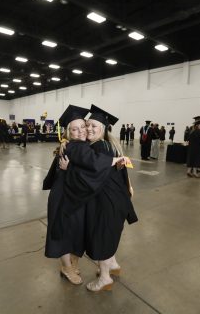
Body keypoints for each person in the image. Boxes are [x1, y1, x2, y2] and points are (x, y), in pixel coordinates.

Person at [43, 105, 123, 286]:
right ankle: (67, 267)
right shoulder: (72, 147)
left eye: (83, 126)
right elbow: (92, 164)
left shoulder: (89, 145)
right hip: (64, 196)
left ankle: (74, 263)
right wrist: (115, 160)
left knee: (76, 231)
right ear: (68, 132)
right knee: (63, 232)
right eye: (75, 128)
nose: (81, 131)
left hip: (77, 195)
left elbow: (90, 165)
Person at [82, 104, 137, 292]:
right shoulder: (111, 145)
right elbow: (120, 171)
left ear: (103, 129)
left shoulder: (98, 148)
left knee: (102, 238)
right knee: (110, 234)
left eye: (93, 126)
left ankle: (104, 278)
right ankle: (113, 265)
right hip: (118, 201)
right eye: (87, 125)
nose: (89, 128)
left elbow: (91, 178)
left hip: (106, 203)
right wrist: (129, 187)